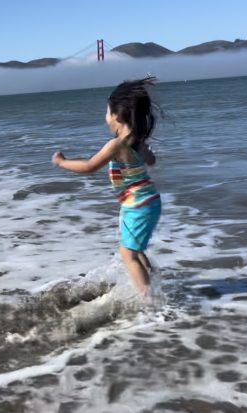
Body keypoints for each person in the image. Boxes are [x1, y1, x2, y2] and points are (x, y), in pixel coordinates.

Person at [52, 77, 161, 295]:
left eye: (107, 112)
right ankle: (153, 288)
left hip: (137, 206)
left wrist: (62, 162)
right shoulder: (138, 142)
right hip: (148, 202)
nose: (106, 117)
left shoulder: (116, 145)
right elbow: (151, 160)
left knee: (128, 253)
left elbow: (90, 166)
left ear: (117, 116)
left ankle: (149, 302)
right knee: (135, 251)